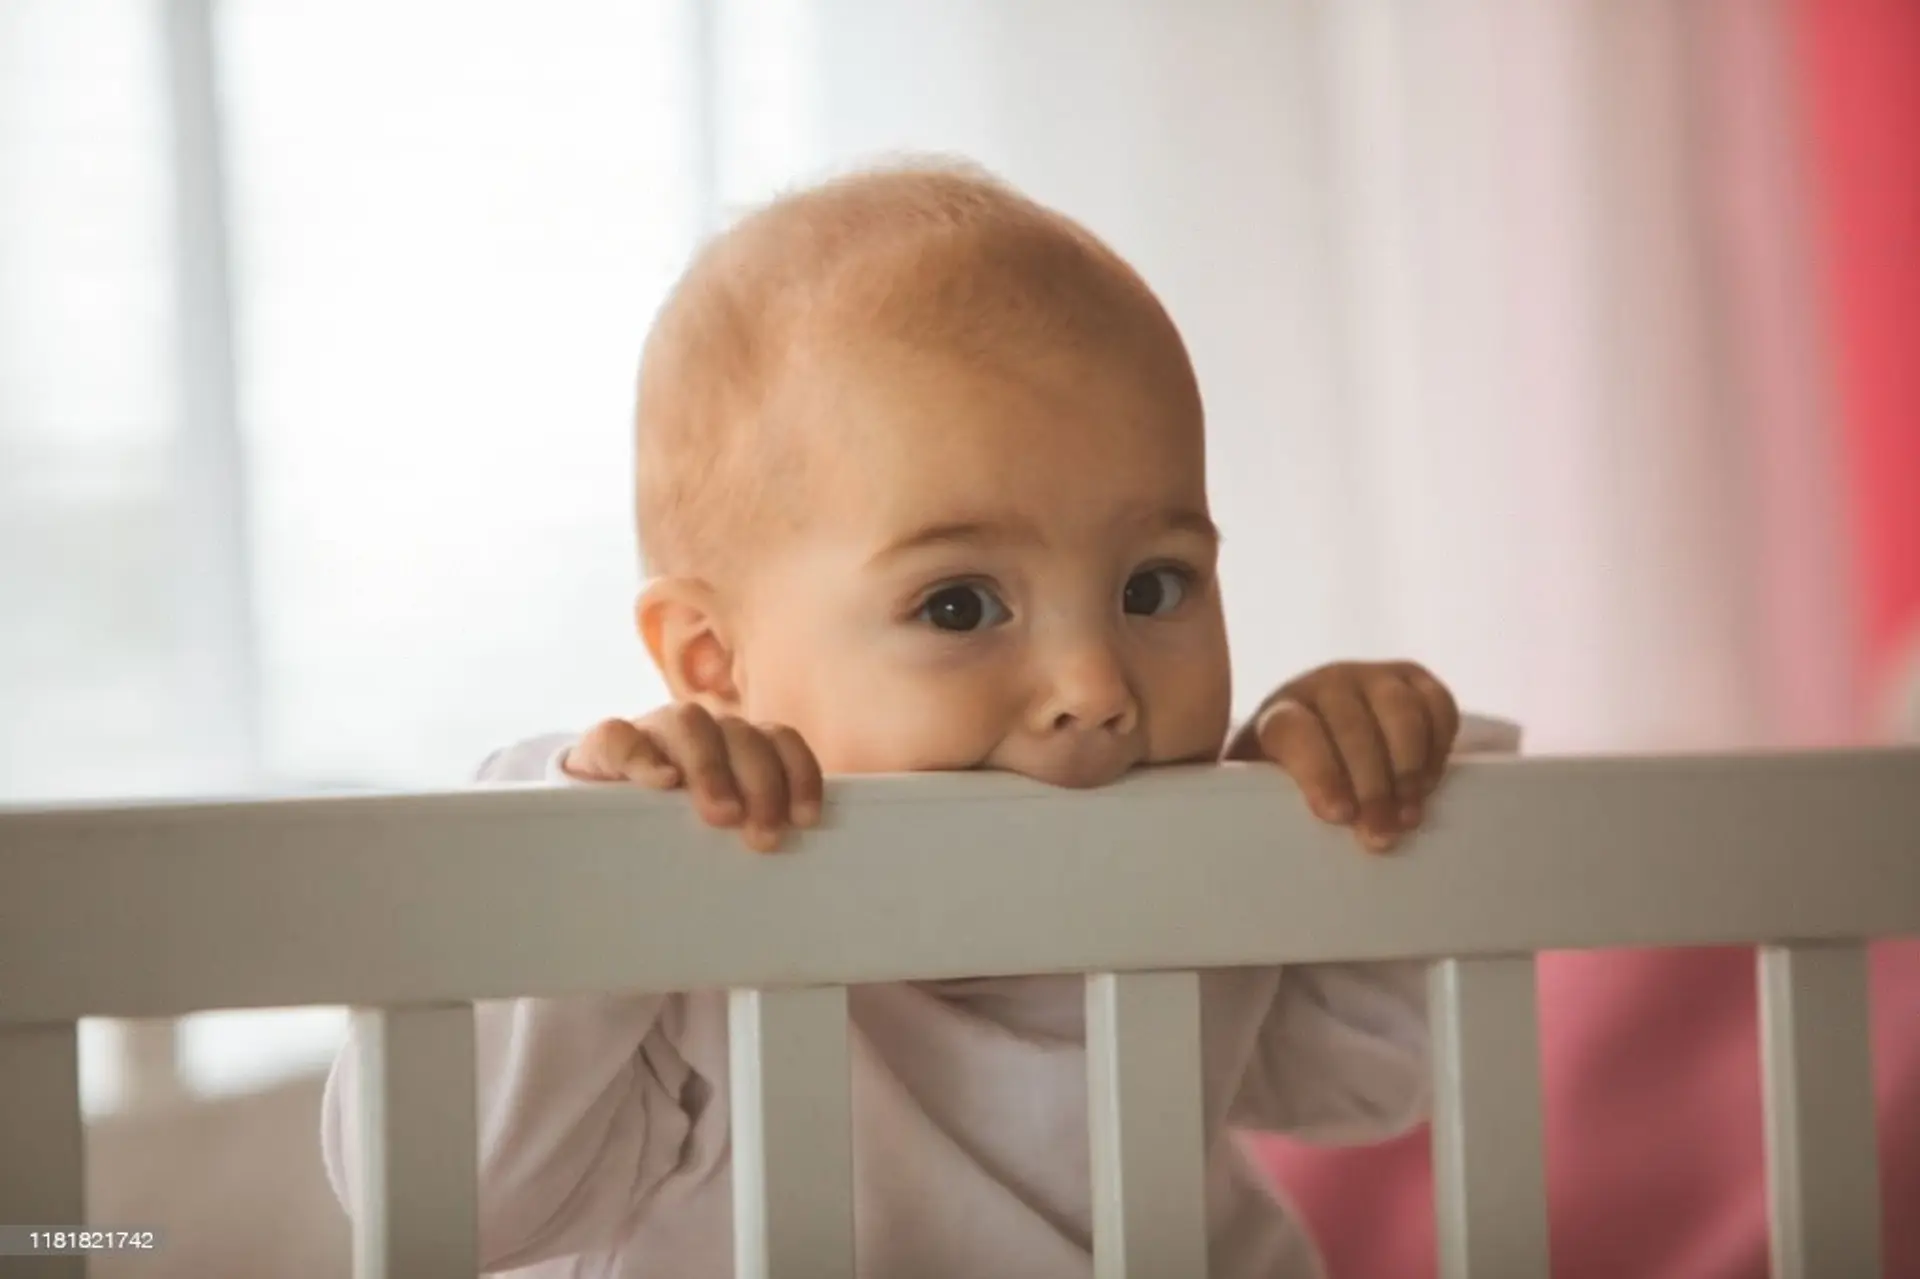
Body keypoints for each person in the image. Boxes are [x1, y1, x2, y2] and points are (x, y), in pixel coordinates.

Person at [321, 159, 1518, 1278]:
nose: (1097, 685)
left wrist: (1354, 780)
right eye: (959, 603)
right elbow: (440, 1195)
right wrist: (608, 855)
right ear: (712, 662)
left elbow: (1385, 1064)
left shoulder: (1190, 877)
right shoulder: (674, 921)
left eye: (1154, 585)